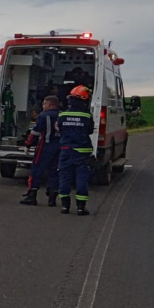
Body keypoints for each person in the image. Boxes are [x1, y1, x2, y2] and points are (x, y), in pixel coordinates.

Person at [56, 86, 95, 215]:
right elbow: (89, 130)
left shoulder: (62, 114)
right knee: (81, 178)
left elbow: (60, 129)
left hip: (66, 150)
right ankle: (81, 208)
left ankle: (65, 207)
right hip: (82, 153)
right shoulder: (86, 115)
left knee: (64, 177)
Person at [20, 95, 61, 206]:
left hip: (45, 147)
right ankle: (52, 198)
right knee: (54, 172)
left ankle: (32, 196)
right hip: (59, 148)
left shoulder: (44, 116)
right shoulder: (62, 115)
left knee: (36, 170)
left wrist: (28, 144)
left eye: (44, 103)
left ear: (49, 104)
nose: (43, 106)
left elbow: (36, 132)